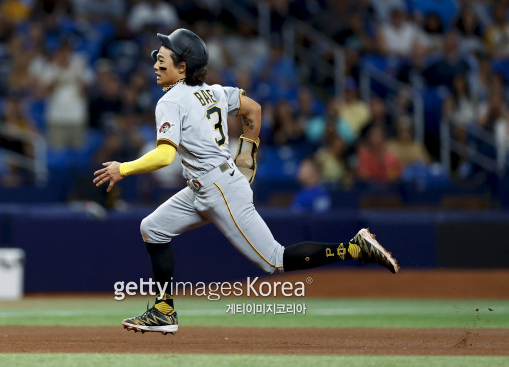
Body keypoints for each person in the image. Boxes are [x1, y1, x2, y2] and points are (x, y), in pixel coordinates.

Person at [93, 29, 399, 335]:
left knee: (274, 261)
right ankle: (163, 311)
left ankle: (355, 248)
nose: (155, 65)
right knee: (153, 228)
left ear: (182, 67)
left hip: (219, 189)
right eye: (156, 59)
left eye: (162, 60)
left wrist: (125, 168)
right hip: (205, 186)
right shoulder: (213, 91)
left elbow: (163, 155)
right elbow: (253, 108)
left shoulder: (171, 100)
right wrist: (248, 152)